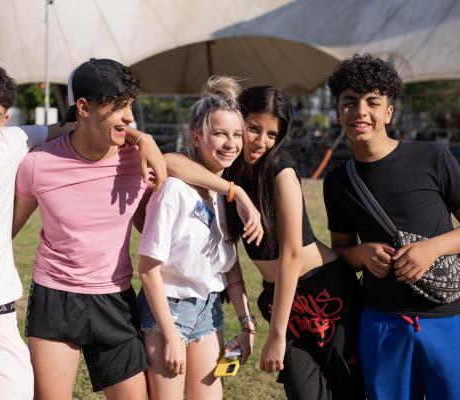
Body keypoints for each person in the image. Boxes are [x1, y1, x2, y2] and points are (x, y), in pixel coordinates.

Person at [0, 60, 166, 400]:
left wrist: (144, 138)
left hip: (49, 312)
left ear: (3, 120)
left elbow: (85, 126)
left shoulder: (16, 144)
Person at [164, 85, 364, 399]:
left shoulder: (280, 169)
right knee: (304, 391)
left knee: (348, 389)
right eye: (254, 129)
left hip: (324, 290)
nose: (261, 142)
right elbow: (168, 162)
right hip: (281, 295)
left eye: (273, 134)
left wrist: (277, 334)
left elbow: (292, 256)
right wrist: (236, 192)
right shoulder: (229, 168)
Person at [12, 59, 153, 400]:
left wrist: (234, 194)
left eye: (130, 107)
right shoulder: (38, 164)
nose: (129, 118)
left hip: (115, 299)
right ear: (84, 107)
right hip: (55, 299)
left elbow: (177, 172)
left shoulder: (138, 159)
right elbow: (4, 233)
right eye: (118, 107)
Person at [323, 54, 460, 400]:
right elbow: (340, 251)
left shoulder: (433, 157)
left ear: (389, 112)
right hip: (381, 320)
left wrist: (433, 248)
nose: (360, 112)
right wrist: (362, 253)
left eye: (373, 101)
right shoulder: (338, 182)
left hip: (448, 317)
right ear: (338, 111)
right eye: (349, 102)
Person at [137, 76, 254, 400]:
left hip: (209, 310)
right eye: (219, 134)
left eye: (236, 135)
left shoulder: (224, 193)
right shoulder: (174, 189)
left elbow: (229, 267)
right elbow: (147, 269)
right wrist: (171, 335)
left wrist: (246, 325)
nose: (230, 143)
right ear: (196, 137)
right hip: (167, 311)